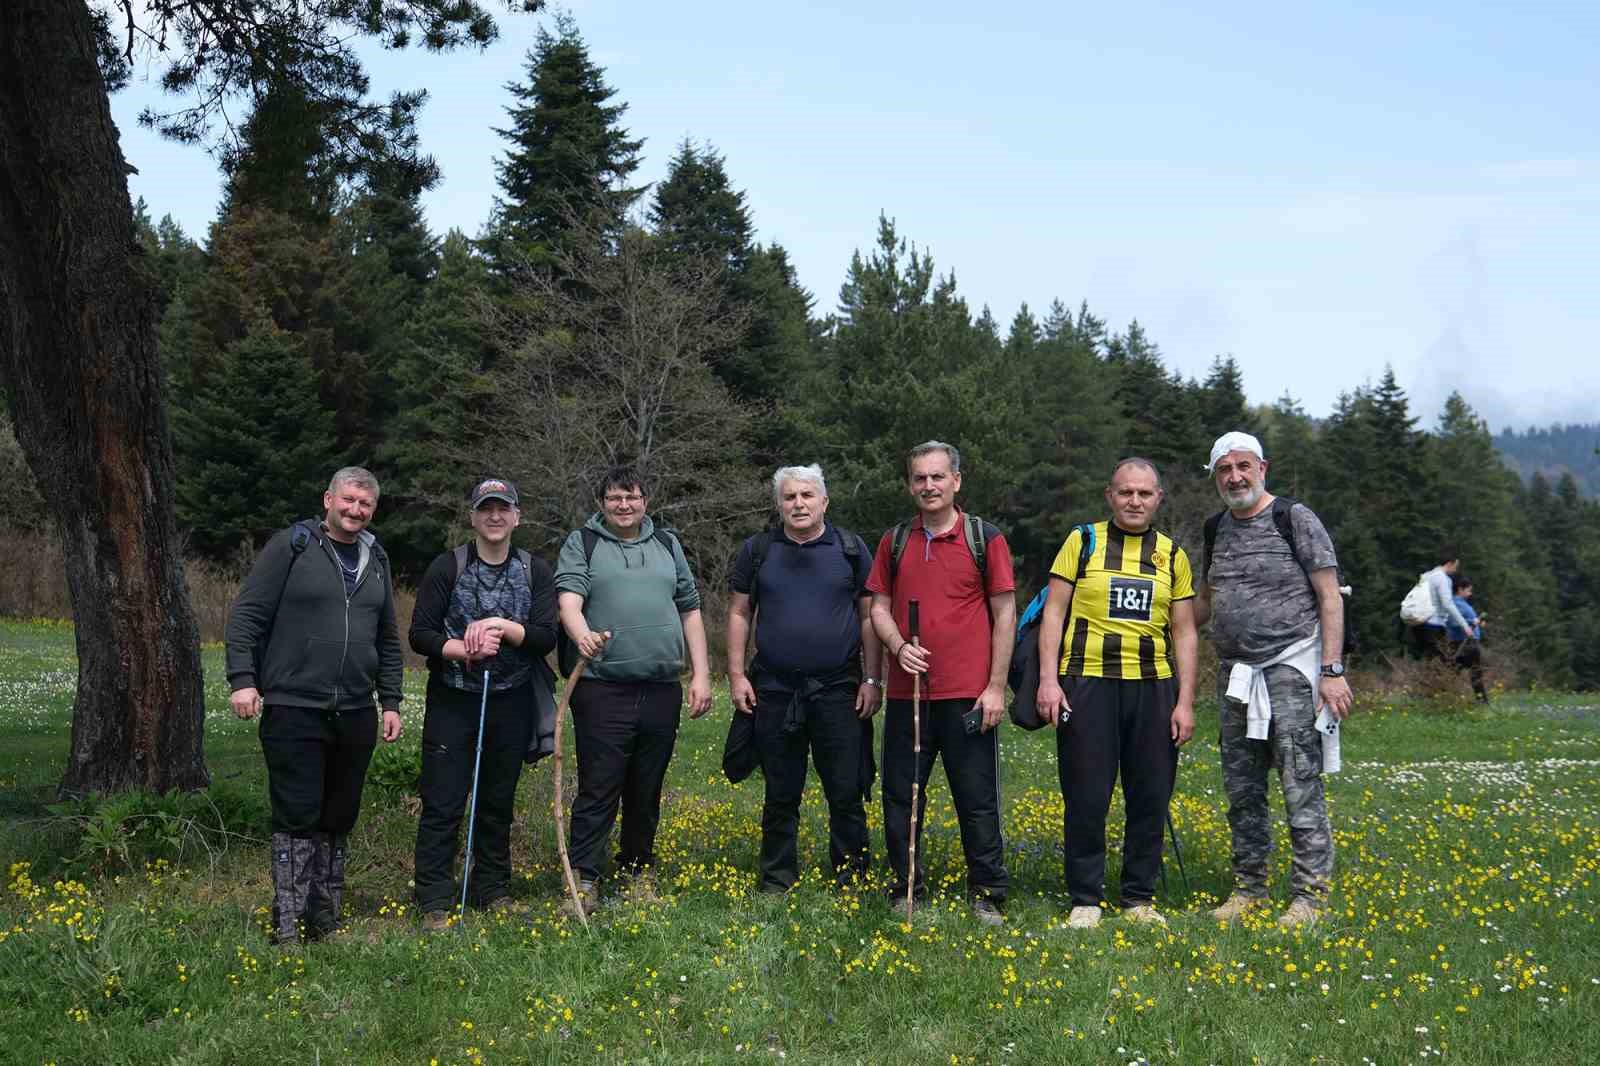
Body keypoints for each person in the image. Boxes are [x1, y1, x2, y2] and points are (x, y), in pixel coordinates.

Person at [224, 467, 404, 944]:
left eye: (365, 504)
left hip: (356, 710)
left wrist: (390, 700)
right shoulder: (293, 545)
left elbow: (387, 637)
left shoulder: (376, 557)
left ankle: (324, 916)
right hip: (293, 704)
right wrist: (243, 679)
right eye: (348, 500)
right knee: (296, 813)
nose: (355, 510)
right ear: (328, 499)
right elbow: (248, 615)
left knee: (339, 814)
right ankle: (288, 922)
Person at [1193, 432, 1354, 928]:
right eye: (1224, 469)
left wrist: (1331, 671)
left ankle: (1310, 896)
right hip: (1235, 676)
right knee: (1241, 789)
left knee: (1299, 783)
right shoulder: (1215, 528)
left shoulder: (1294, 518)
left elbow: (1330, 596)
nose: (1234, 477)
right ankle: (1249, 889)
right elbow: (1204, 600)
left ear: (1263, 468)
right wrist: (1162, 627)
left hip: (1292, 669)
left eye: (1243, 466)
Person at [1034, 458, 1198, 928]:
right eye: (1126, 492)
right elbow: (1053, 614)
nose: (1135, 501)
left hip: (1154, 688)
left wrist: (1185, 701)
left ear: (1158, 499)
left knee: (1150, 795)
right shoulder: (1082, 541)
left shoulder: (1172, 554)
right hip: (1087, 684)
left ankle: (1138, 899)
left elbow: (1185, 632)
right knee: (1086, 794)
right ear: (1110, 495)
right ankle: (1085, 898)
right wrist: (1048, 680)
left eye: (1144, 493)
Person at [867, 440, 1017, 925]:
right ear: (910, 485)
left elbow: (1005, 614)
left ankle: (987, 893)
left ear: (956, 480)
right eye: (920, 478)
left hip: (969, 695)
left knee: (976, 798)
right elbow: (878, 608)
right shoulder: (894, 541)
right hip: (906, 694)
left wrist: (995, 687)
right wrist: (898, 647)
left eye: (937, 477)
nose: (928, 486)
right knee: (901, 796)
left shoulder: (984, 538)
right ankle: (905, 887)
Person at [555, 465, 714, 914]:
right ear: (601, 503)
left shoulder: (667, 544)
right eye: (614, 497)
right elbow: (568, 601)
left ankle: (638, 870)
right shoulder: (583, 543)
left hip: (661, 687)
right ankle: (584, 878)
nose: (623, 505)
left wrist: (701, 673)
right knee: (599, 784)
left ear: (646, 501)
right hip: (602, 688)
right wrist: (581, 634)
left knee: (646, 788)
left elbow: (689, 609)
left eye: (632, 497)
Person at [408, 478, 558, 931]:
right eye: (486, 509)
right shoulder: (447, 566)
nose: (495, 516)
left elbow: (545, 637)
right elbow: (421, 634)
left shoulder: (535, 570)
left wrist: (503, 627)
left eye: (503, 508)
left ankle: (492, 888)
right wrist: (460, 649)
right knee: (443, 799)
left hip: (511, 700)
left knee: (497, 799)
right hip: (453, 699)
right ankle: (434, 897)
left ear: (517, 517)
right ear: (473, 517)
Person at [727, 464, 884, 894]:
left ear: (824, 502)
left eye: (807, 495)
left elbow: (869, 616)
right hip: (775, 688)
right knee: (780, 790)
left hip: (839, 688)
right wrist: (737, 675)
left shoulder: (850, 549)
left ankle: (852, 877)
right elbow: (739, 612)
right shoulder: (758, 550)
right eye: (790, 497)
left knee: (846, 787)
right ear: (779, 504)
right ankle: (777, 878)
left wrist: (873, 679)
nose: (798, 504)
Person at [1410, 547, 1473, 663]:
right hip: (1434, 626)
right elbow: (1447, 604)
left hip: (1419, 624)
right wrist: (1465, 625)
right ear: (1449, 563)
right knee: (1440, 664)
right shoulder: (1443, 579)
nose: (1456, 569)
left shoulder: (1427, 575)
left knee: (1427, 660)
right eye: (1455, 566)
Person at [1446, 573, 1489, 703]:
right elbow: (1452, 622)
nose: (1470, 593)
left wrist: (1477, 622)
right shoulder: (1455, 603)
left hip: (1467, 643)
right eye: (1468, 590)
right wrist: (1472, 622)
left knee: (1455, 672)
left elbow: (1467, 619)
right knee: (1474, 673)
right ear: (1460, 589)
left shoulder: (1463, 603)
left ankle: (1446, 699)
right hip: (1463, 643)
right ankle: (1482, 702)